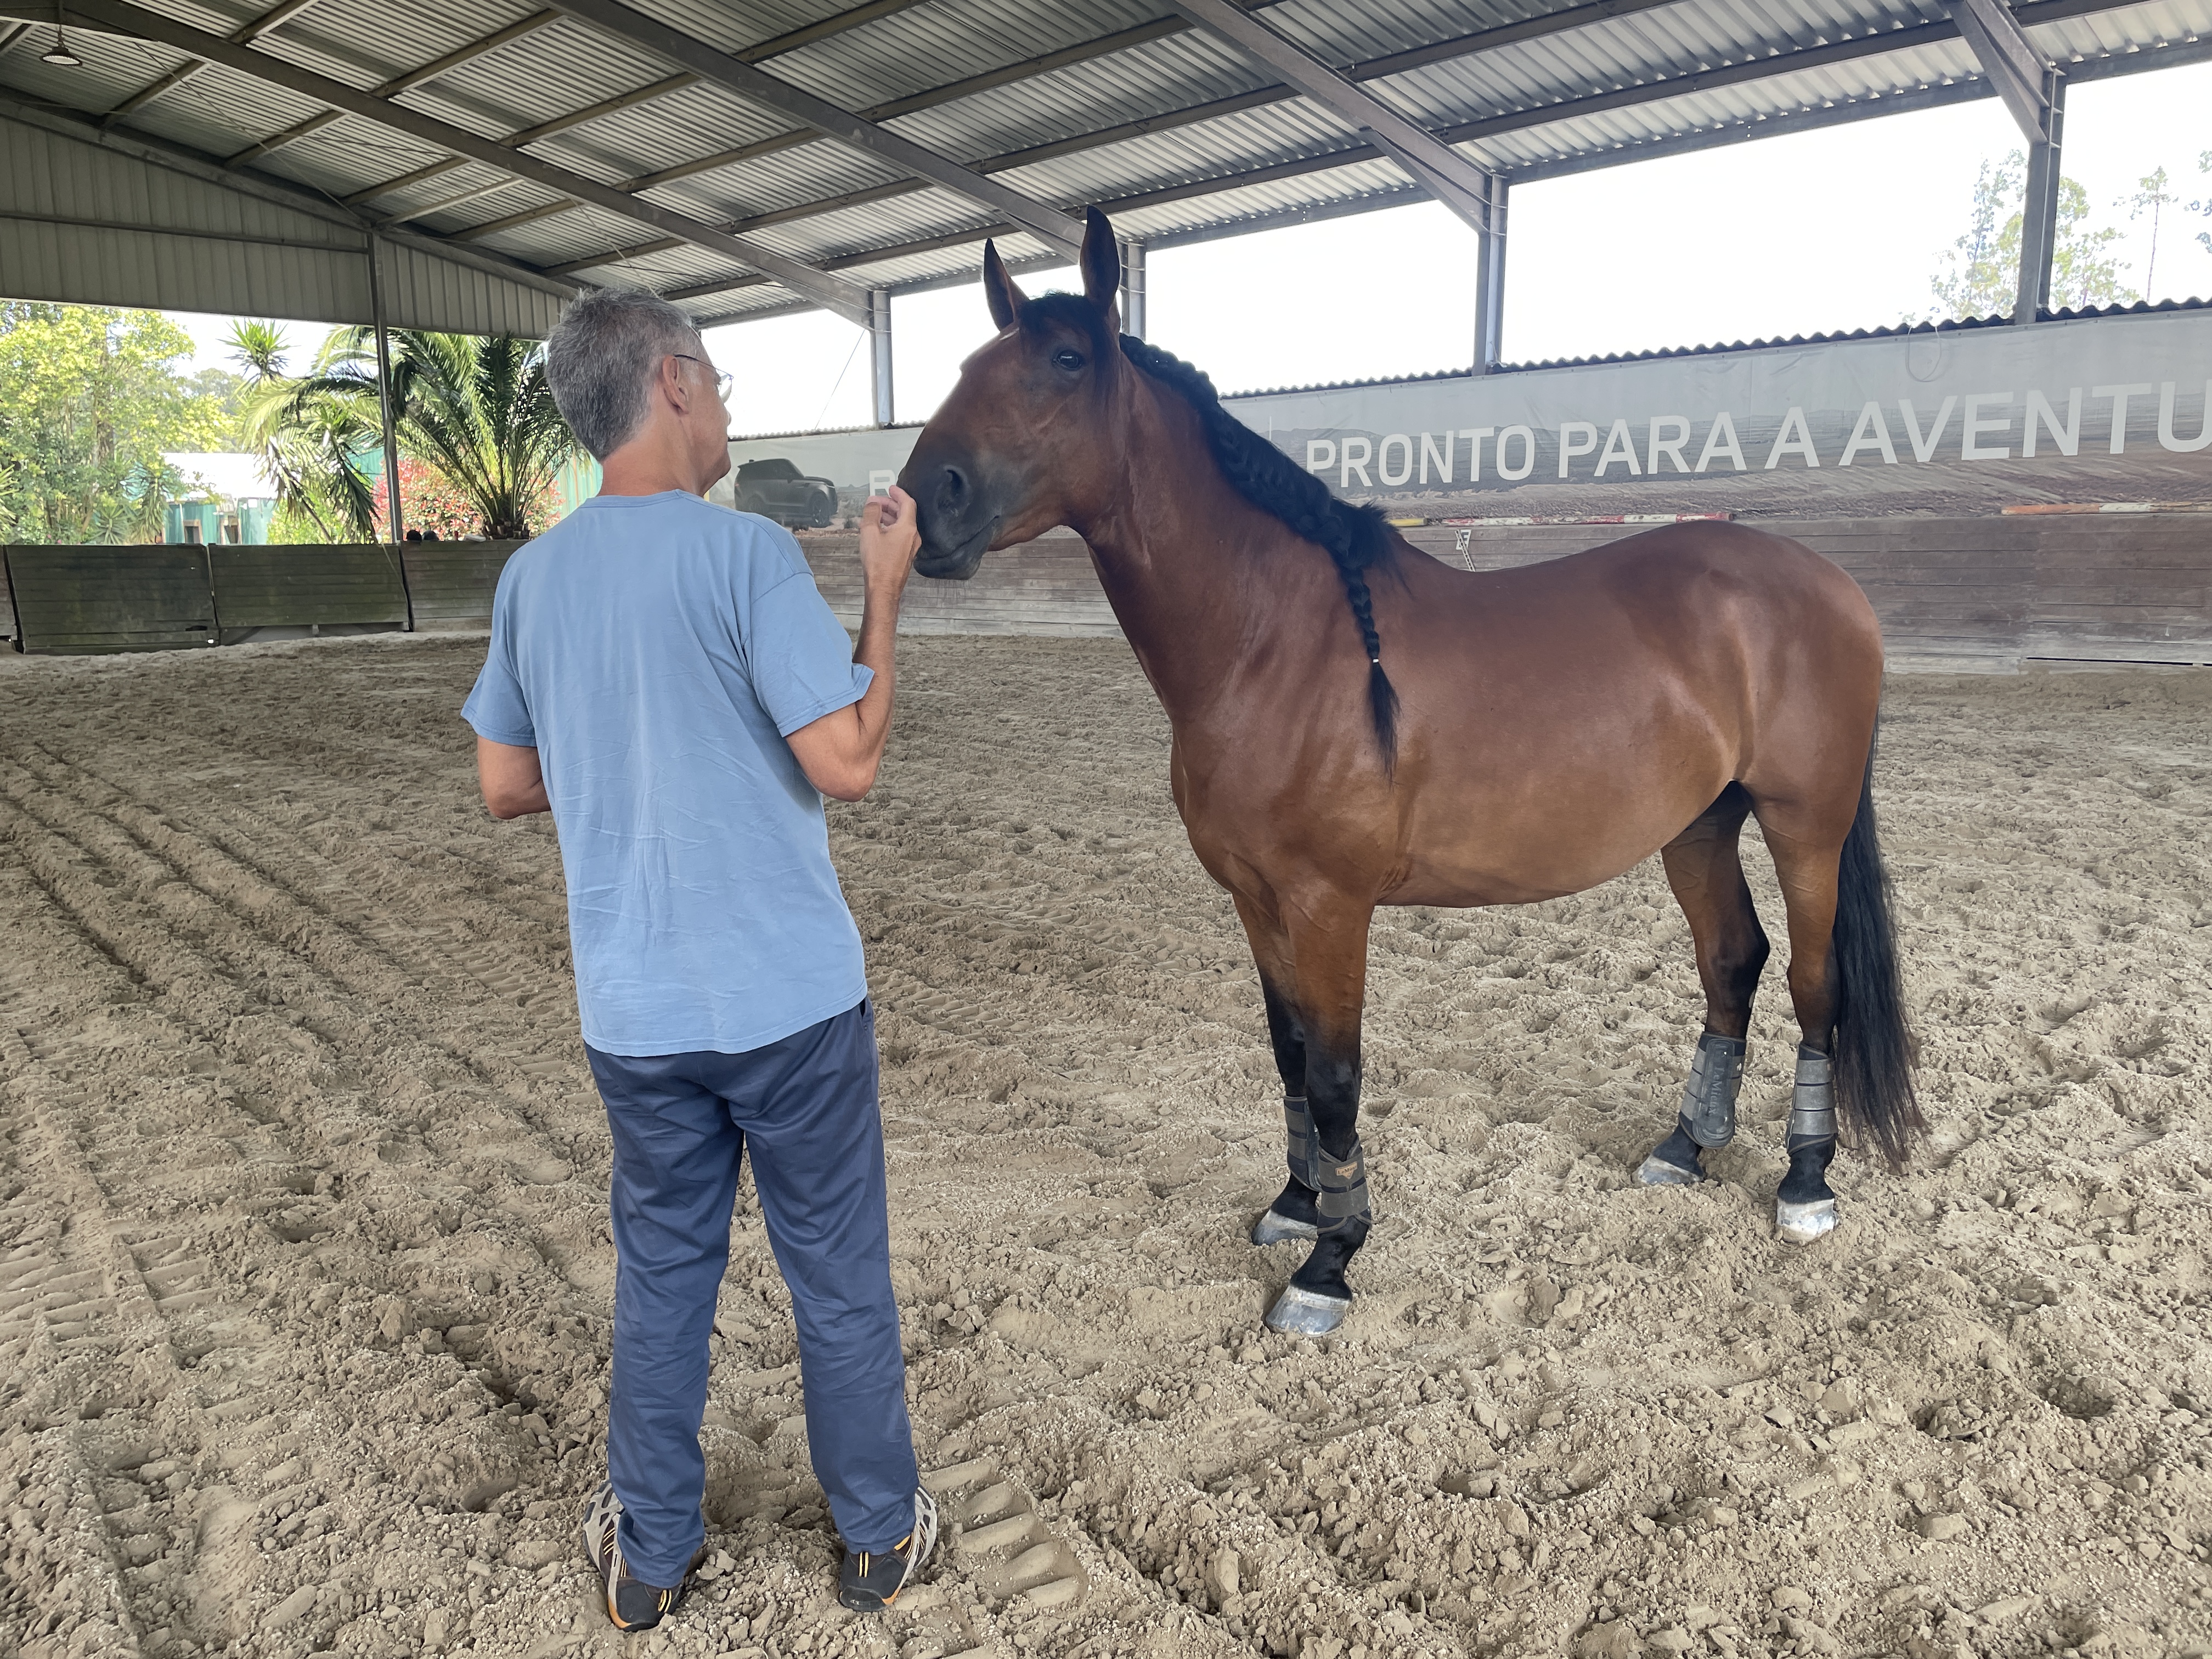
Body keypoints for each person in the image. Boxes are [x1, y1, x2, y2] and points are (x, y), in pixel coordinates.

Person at [460, 287, 930, 1633]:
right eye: (716, 382)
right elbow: (846, 761)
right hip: (788, 1002)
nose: (725, 408)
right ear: (672, 382)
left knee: (664, 1277)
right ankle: (878, 1535)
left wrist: (626, 747)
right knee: (834, 1271)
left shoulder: (531, 577)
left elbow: (503, 783)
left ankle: (654, 1555)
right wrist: (882, 596)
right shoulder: (749, 558)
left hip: (637, 1011)